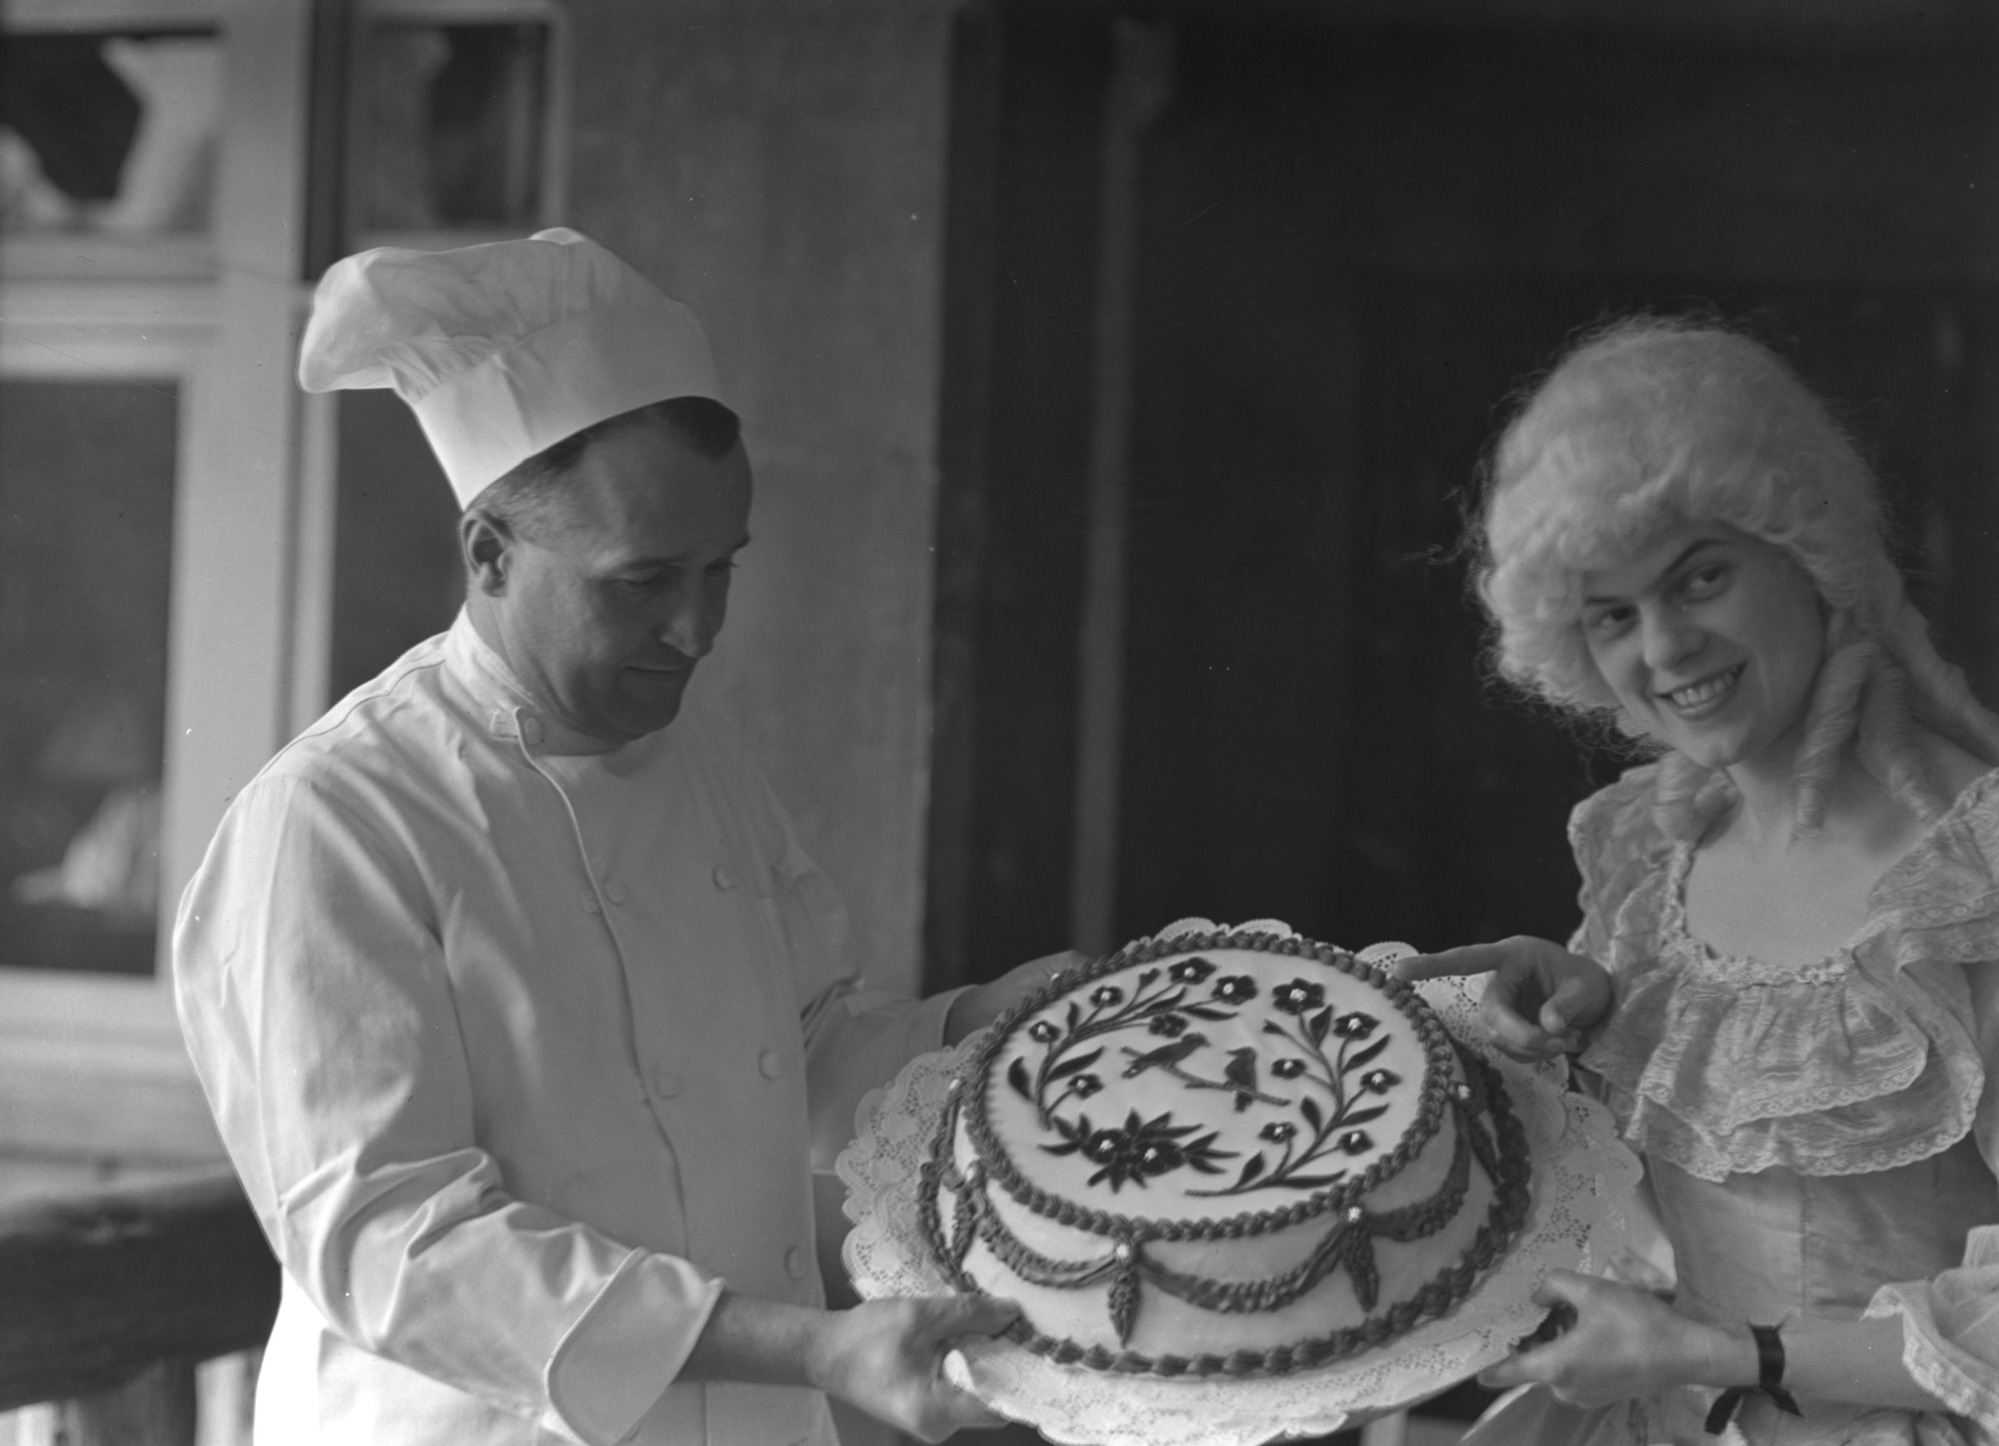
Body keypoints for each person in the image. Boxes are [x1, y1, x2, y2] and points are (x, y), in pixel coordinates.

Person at [173, 228, 1071, 1446]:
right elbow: (389, 1242)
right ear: (490, 554)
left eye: (720, 572)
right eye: (641, 582)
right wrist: (809, 1347)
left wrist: (988, 1025)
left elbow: (795, 1056)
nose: (696, 632)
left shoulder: (701, 761)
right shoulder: (337, 821)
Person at [1395, 318, 1999, 1444]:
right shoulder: (1647, 853)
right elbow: (1650, 1220)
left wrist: (1725, 1352)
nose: (1665, 650)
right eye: (1613, 616)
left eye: (1700, 578)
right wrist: (1552, 1035)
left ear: (1810, 557)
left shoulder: (1978, 877)